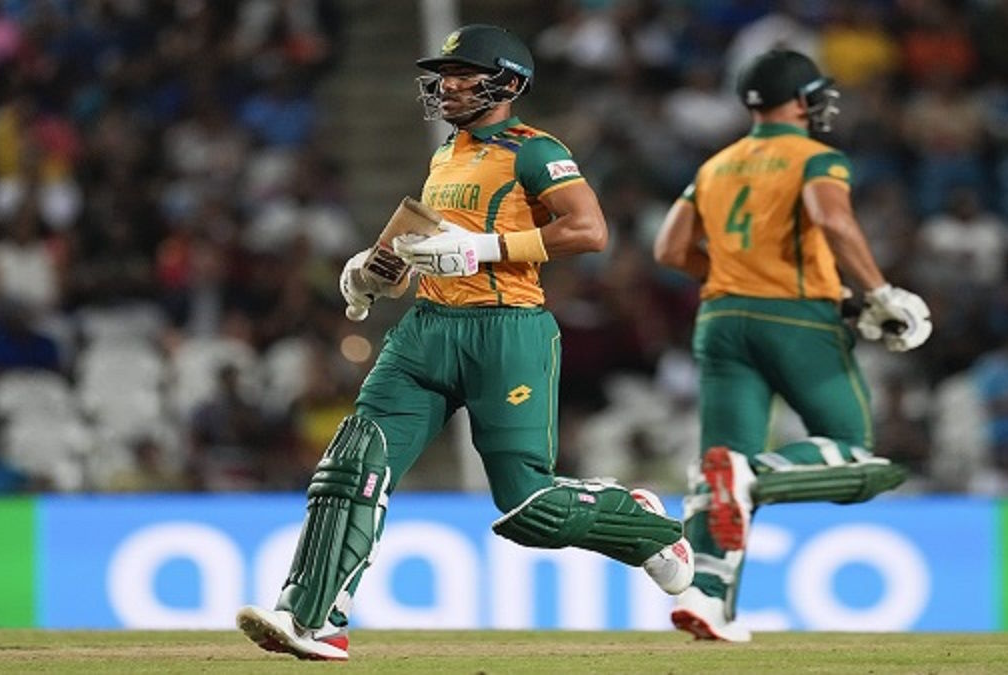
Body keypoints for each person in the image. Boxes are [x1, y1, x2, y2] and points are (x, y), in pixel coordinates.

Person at [236, 24, 694, 661]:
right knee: (353, 463)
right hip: (426, 329)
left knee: (528, 506)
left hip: (507, 332)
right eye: (444, 76)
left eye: (463, 75)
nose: (447, 86)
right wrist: (372, 270)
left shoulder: (535, 150)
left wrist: (484, 248)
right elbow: (425, 244)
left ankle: (639, 522)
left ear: (507, 83)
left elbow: (590, 231)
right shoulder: (445, 155)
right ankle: (312, 618)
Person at [653, 49, 932, 642]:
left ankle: (706, 597)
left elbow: (671, 250)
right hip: (797, 320)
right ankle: (752, 477)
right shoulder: (815, 158)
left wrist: (741, 277)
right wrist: (879, 292)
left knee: (718, 468)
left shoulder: (716, 164)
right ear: (803, 100)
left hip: (721, 320)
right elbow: (831, 220)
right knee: (858, 458)